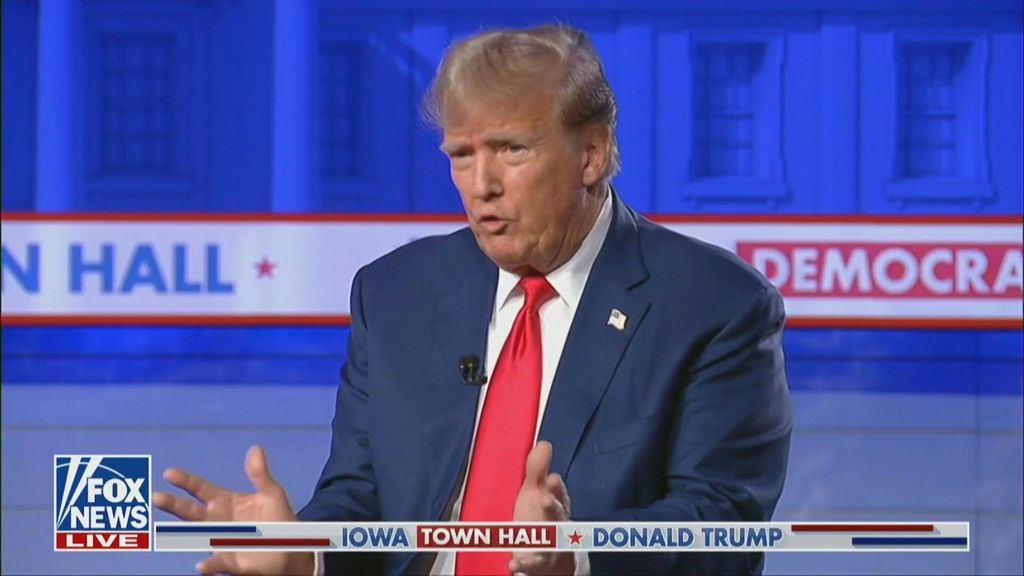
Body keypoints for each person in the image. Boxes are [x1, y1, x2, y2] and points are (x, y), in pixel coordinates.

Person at [155, 24, 792, 576]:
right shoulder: (395, 293)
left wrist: (576, 553)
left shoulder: (714, 304)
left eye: (512, 149)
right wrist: (306, 553)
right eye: (461, 155)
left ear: (592, 155)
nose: (481, 184)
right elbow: (363, 497)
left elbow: (723, 525)